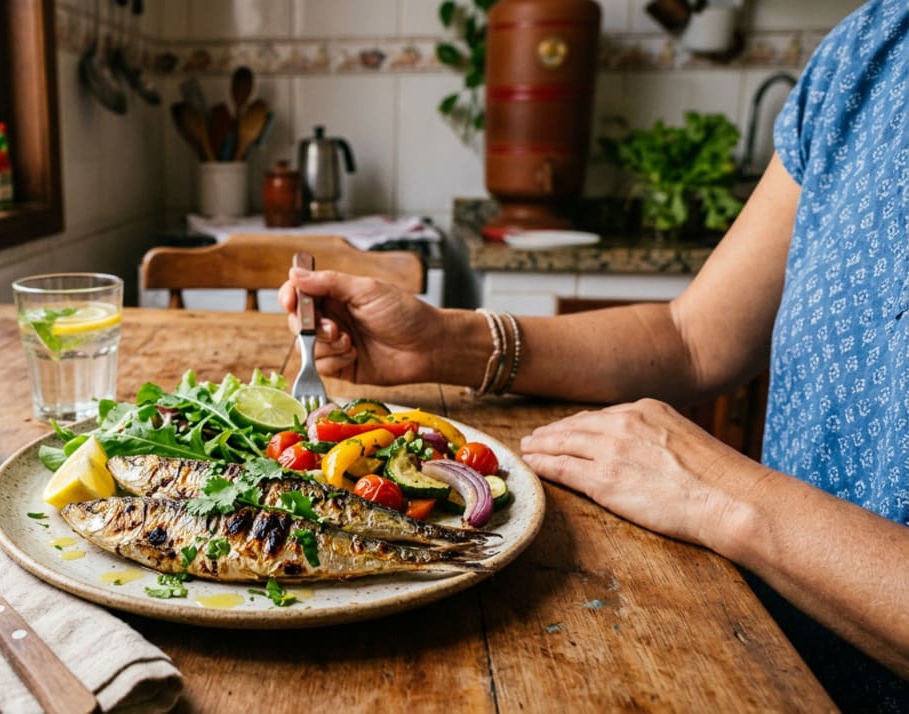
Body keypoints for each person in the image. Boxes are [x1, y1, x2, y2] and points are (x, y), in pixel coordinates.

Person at [279, 1, 908, 709]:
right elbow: (691, 337)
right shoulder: (871, 47)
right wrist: (442, 342)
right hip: (766, 664)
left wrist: (727, 498)